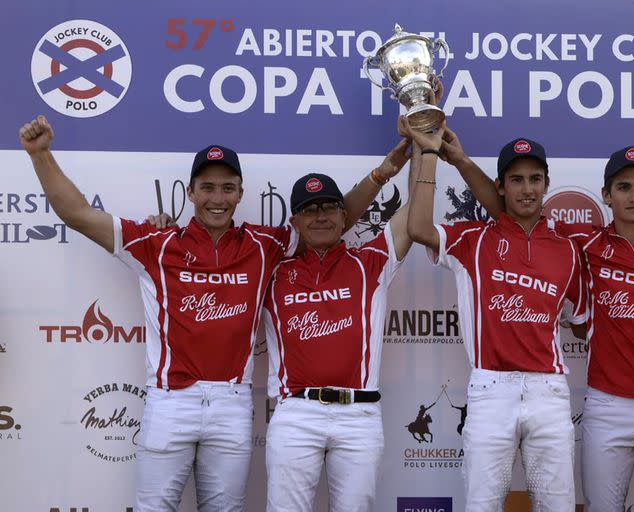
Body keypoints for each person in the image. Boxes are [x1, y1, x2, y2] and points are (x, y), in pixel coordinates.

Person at [18, 115, 410, 512]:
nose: (217, 198)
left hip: (232, 402)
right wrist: (40, 155)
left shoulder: (266, 245)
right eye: (207, 188)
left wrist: (379, 176)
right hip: (170, 402)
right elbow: (79, 215)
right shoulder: (156, 242)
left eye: (227, 188)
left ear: (240, 194)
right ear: (190, 193)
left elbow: (332, 221)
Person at [445, 138, 634, 510]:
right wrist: (461, 161)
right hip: (607, 404)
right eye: (623, 187)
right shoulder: (584, 243)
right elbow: (509, 209)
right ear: (606, 195)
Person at [405, 120, 587, 511]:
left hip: (549, 392)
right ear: (501, 186)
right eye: (516, 180)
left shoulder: (569, 249)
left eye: (535, 179)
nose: (527, 189)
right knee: (482, 504)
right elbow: (418, 227)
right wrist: (433, 153)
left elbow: (582, 322)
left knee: (556, 505)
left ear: (547, 184)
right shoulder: (475, 239)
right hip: (491, 390)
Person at [261, 140, 423, 511]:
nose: (321, 217)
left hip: (359, 416)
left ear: (344, 215)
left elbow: (414, 211)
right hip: (297, 413)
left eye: (330, 207)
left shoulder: (370, 262)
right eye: (309, 210)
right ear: (295, 223)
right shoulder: (272, 270)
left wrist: (423, 148)